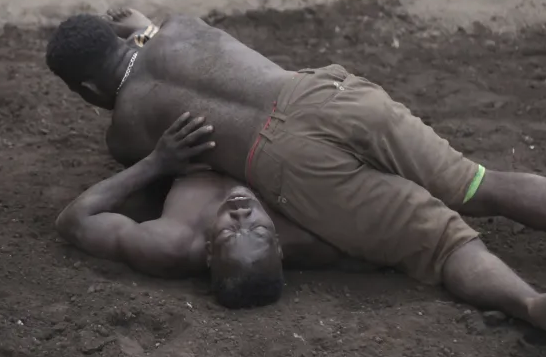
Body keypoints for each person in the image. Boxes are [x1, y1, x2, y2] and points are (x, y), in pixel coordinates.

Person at [45, 8, 546, 357]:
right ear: (123, 32)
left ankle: (526, 303)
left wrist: (154, 157)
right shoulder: (178, 25)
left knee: (442, 244)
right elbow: (147, 34)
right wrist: (142, 25)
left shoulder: (123, 131)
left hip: (287, 161)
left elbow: (136, 163)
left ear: (90, 92)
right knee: (479, 184)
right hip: (327, 91)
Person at [57, 114, 341, 304]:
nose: (241, 212)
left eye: (230, 232)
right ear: (278, 245)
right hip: (256, 124)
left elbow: (74, 219)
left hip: (180, 128)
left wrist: (156, 162)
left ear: (208, 250)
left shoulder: (169, 244)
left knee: (123, 129)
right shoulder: (309, 235)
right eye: (255, 227)